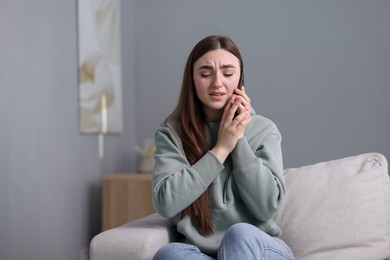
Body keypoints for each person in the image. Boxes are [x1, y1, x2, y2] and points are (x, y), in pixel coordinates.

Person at [152, 35, 294, 260]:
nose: (217, 83)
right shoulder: (171, 132)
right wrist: (220, 149)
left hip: (259, 249)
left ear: (240, 79)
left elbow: (266, 207)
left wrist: (237, 139)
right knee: (170, 254)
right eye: (205, 74)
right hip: (202, 253)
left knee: (239, 234)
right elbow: (166, 204)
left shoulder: (264, 129)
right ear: (192, 79)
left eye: (228, 73)